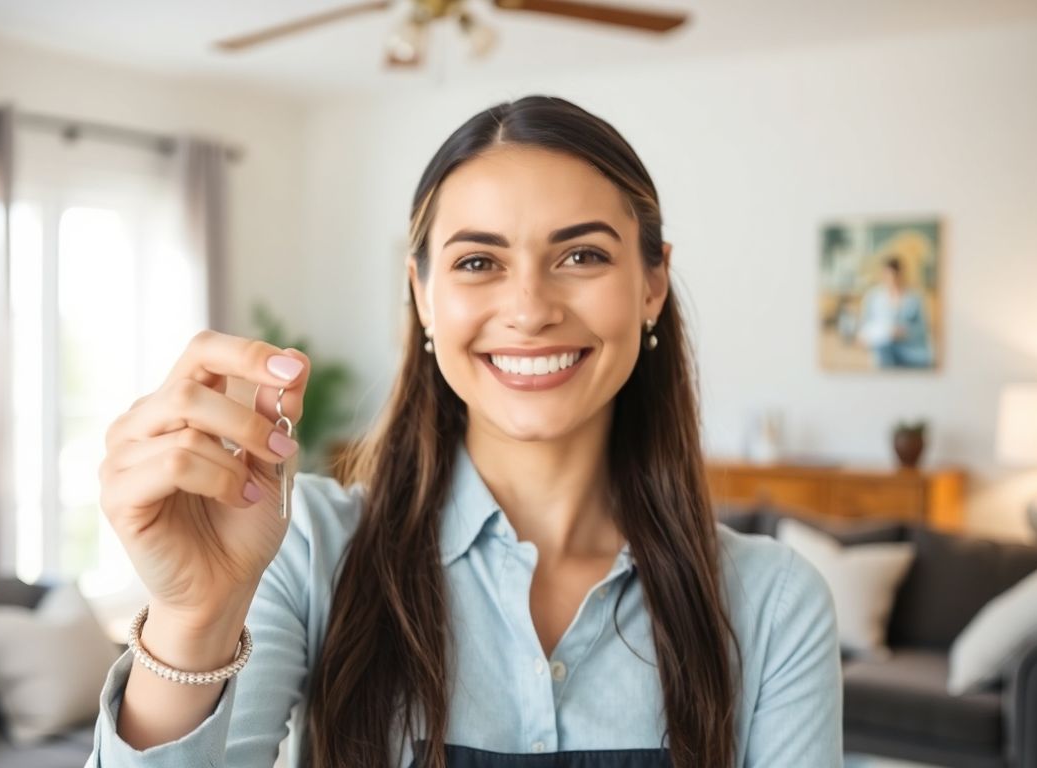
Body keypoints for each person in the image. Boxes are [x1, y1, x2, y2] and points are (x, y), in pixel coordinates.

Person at [88, 95, 841, 768]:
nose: (529, 307)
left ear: (651, 283)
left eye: (581, 255)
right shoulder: (307, 550)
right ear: (421, 294)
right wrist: (193, 619)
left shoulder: (773, 604)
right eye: (478, 261)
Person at [856, 256, 933, 368]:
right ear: (883, 275)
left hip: (911, 352)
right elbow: (863, 330)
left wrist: (906, 332)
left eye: (896, 276)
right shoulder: (872, 297)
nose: (893, 281)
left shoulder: (915, 299)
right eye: (888, 276)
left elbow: (923, 329)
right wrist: (884, 333)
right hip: (883, 352)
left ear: (902, 275)